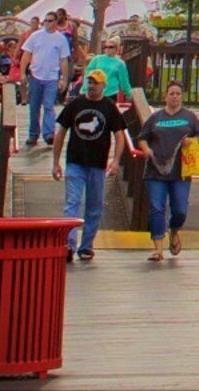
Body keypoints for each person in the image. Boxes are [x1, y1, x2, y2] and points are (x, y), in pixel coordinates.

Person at [53, 74, 126, 263]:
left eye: (96, 83)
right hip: (75, 161)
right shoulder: (76, 104)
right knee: (72, 203)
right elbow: (61, 131)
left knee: (95, 206)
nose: (91, 86)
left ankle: (86, 246)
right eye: (90, 82)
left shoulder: (109, 107)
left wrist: (116, 160)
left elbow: (119, 135)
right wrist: (55, 161)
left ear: (104, 86)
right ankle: (69, 244)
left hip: (98, 164)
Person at [136, 82, 199, 263]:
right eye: (171, 93)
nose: (174, 96)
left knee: (180, 209)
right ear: (166, 96)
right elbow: (142, 137)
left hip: (181, 171)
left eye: (178, 93)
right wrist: (146, 149)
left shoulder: (189, 117)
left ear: (182, 96)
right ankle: (158, 248)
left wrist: (191, 140)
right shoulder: (156, 118)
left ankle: (174, 231)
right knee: (157, 208)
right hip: (155, 170)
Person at [20, 14, 75, 154]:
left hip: (52, 77)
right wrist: (22, 73)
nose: (47, 23)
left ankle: (49, 134)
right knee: (34, 106)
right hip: (35, 76)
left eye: (50, 21)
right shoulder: (36, 36)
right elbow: (26, 54)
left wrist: (64, 78)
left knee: (49, 106)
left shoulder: (60, 39)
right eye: (45, 21)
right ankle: (33, 134)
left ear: (56, 22)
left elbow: (64, 60)